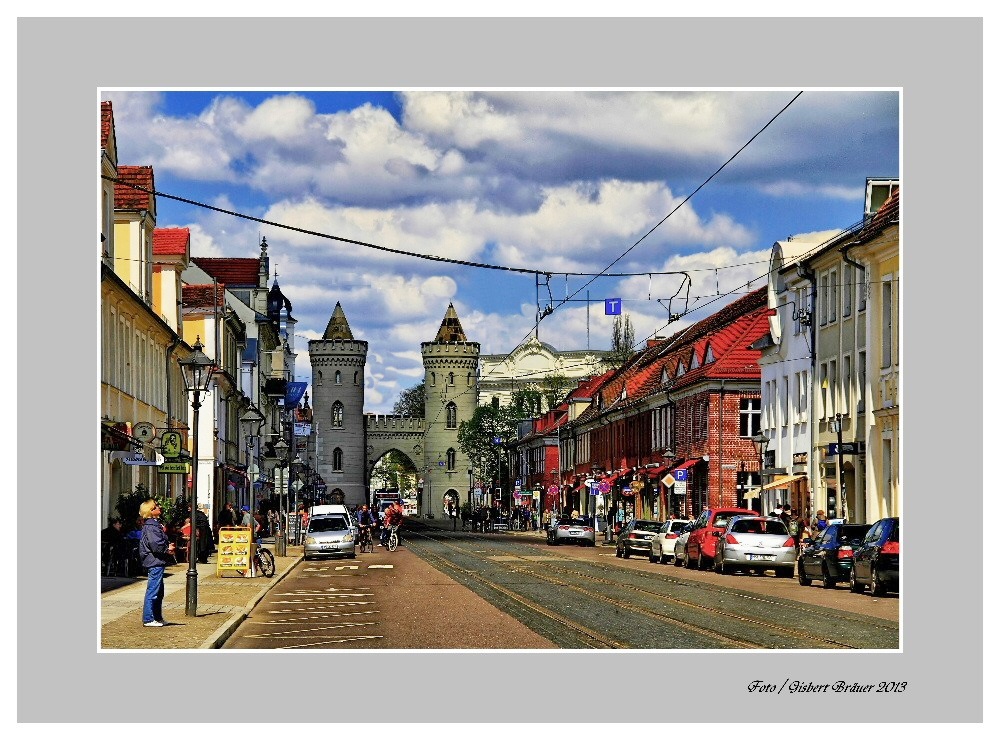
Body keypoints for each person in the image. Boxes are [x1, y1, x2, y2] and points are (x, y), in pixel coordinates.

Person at [137, 499, 175, 627]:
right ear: (150, 511)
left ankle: (157, 617)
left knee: (159, 592)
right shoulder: (151, 526)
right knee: (153, 591)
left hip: (157, 560)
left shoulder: (153, 524)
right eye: (155, 507)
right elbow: (154, 544)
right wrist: (167, 549)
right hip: (155, 561)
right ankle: (148, 619)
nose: (159, 507)